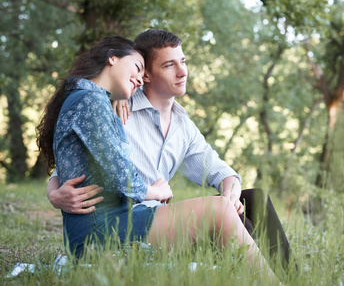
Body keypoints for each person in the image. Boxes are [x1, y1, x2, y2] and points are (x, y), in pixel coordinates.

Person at [46, 29, 291, 268]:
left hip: (151, 216)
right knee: (232, 220)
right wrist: (54, 193)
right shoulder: (116, 104)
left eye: (183, 61)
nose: (182, 71)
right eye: (169, 65)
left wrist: (230, 194)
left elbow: (220, 171)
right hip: (126, 216)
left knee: (252, 201)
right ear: (146, 76)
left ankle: (292, 277)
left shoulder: (183, 125)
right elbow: (74, 156)